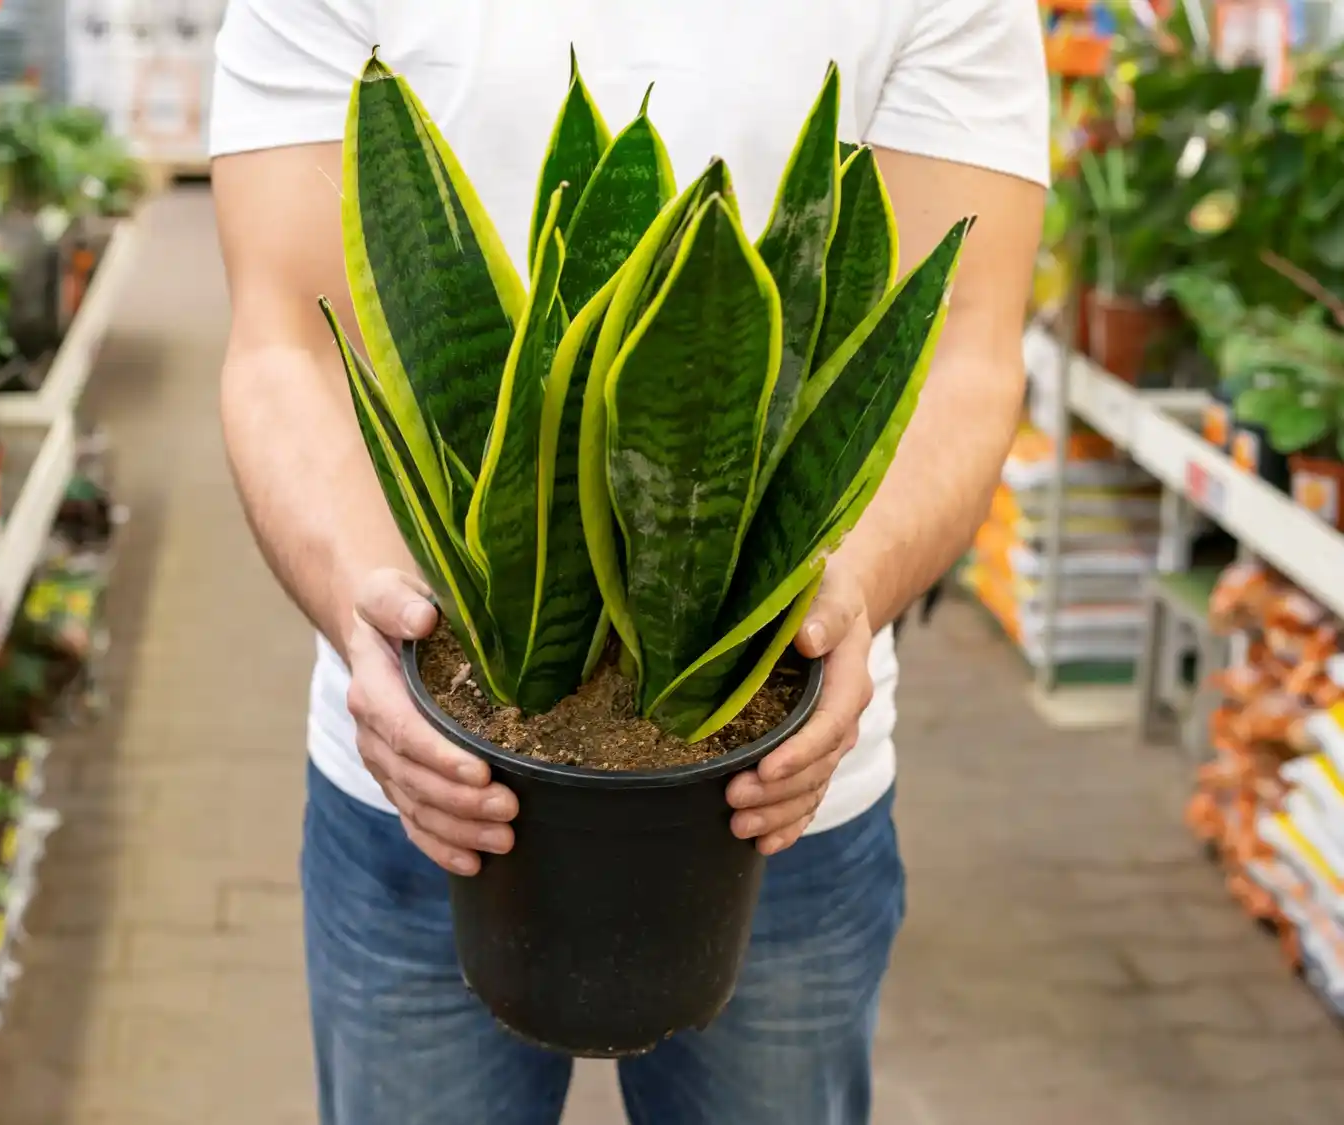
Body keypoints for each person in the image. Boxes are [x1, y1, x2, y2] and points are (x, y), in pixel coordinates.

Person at [210, 3, 1046, 1122]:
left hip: (782, 797)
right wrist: (373, 627)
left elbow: (964, 347)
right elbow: (282, 343)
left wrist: (847, 591)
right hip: (419, 776)